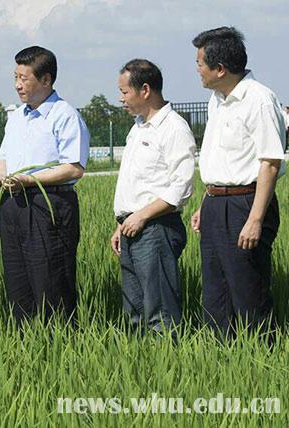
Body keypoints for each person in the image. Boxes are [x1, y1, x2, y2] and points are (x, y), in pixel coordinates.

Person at [190, 27, 286, 338]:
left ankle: (260, 354)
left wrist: (255, 219)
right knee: (215, 294)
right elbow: (222, 160)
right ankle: (222, 354)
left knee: (248, 293)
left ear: (220, 69)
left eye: (200, 63)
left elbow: (270, 162)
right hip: (216, 204)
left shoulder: (259, 100)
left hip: (246, 204)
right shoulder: (216, 100)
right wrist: (206, 203)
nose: (197, 69)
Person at [0, 46, 90, 324]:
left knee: (51, 279)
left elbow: (74, 167)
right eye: (15, 77)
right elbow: (4, 158)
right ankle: (25, 339)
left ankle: (58, 337)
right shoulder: (16, 117)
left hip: (48, 205)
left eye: (24, 78)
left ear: (46, 80)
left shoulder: (64, 115)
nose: (17, 85)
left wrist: (27, 179)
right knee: (18, 280)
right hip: (13, 205)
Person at [111, 59, 196, 336]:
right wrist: (123, 223)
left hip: (156, 229)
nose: (121, 98)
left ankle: (167, 357)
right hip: (132, 227)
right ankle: (141, 358)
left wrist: (142, 215)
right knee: (134, 312)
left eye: (124, 92)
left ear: (145, 90)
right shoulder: (138, 128)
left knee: (160, 312)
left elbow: (181, 187)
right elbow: (137, 184)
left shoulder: (173, 128)